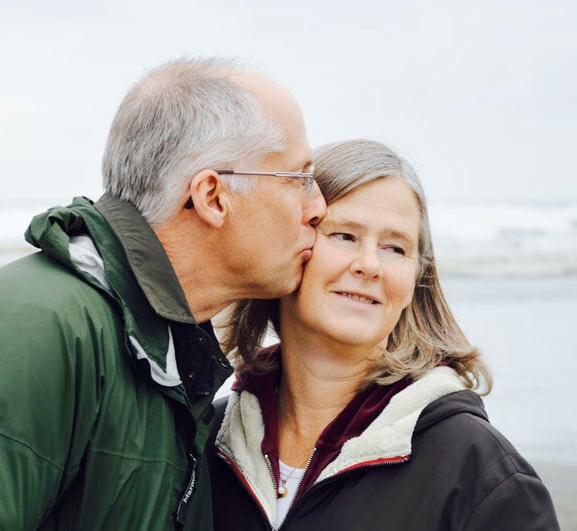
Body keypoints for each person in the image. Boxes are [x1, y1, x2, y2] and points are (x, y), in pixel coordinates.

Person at [0, 57, 327, 530]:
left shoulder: (162, 349)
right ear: (211, 196)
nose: (317, 208)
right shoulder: (30, 329)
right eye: (299, 179)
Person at [208, 139, 559, 530]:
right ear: (291, 246)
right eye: (344, 236)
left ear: (414, 281)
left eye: (395, 248)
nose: (370, 265)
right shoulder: (209, 441)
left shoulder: (479, 469)